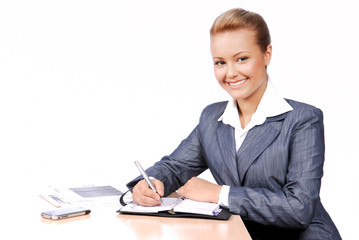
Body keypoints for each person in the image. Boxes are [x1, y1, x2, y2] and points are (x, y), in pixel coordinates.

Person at [126, 8, 341, 239]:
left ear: (267, 54)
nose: (230, 73)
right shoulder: (212, 118)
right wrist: (147, 183)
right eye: (220, 62)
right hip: (239, 233)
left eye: (242, 59)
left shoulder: (303, 119)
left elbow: (299, 209)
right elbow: (174, 167)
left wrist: (219, 194)